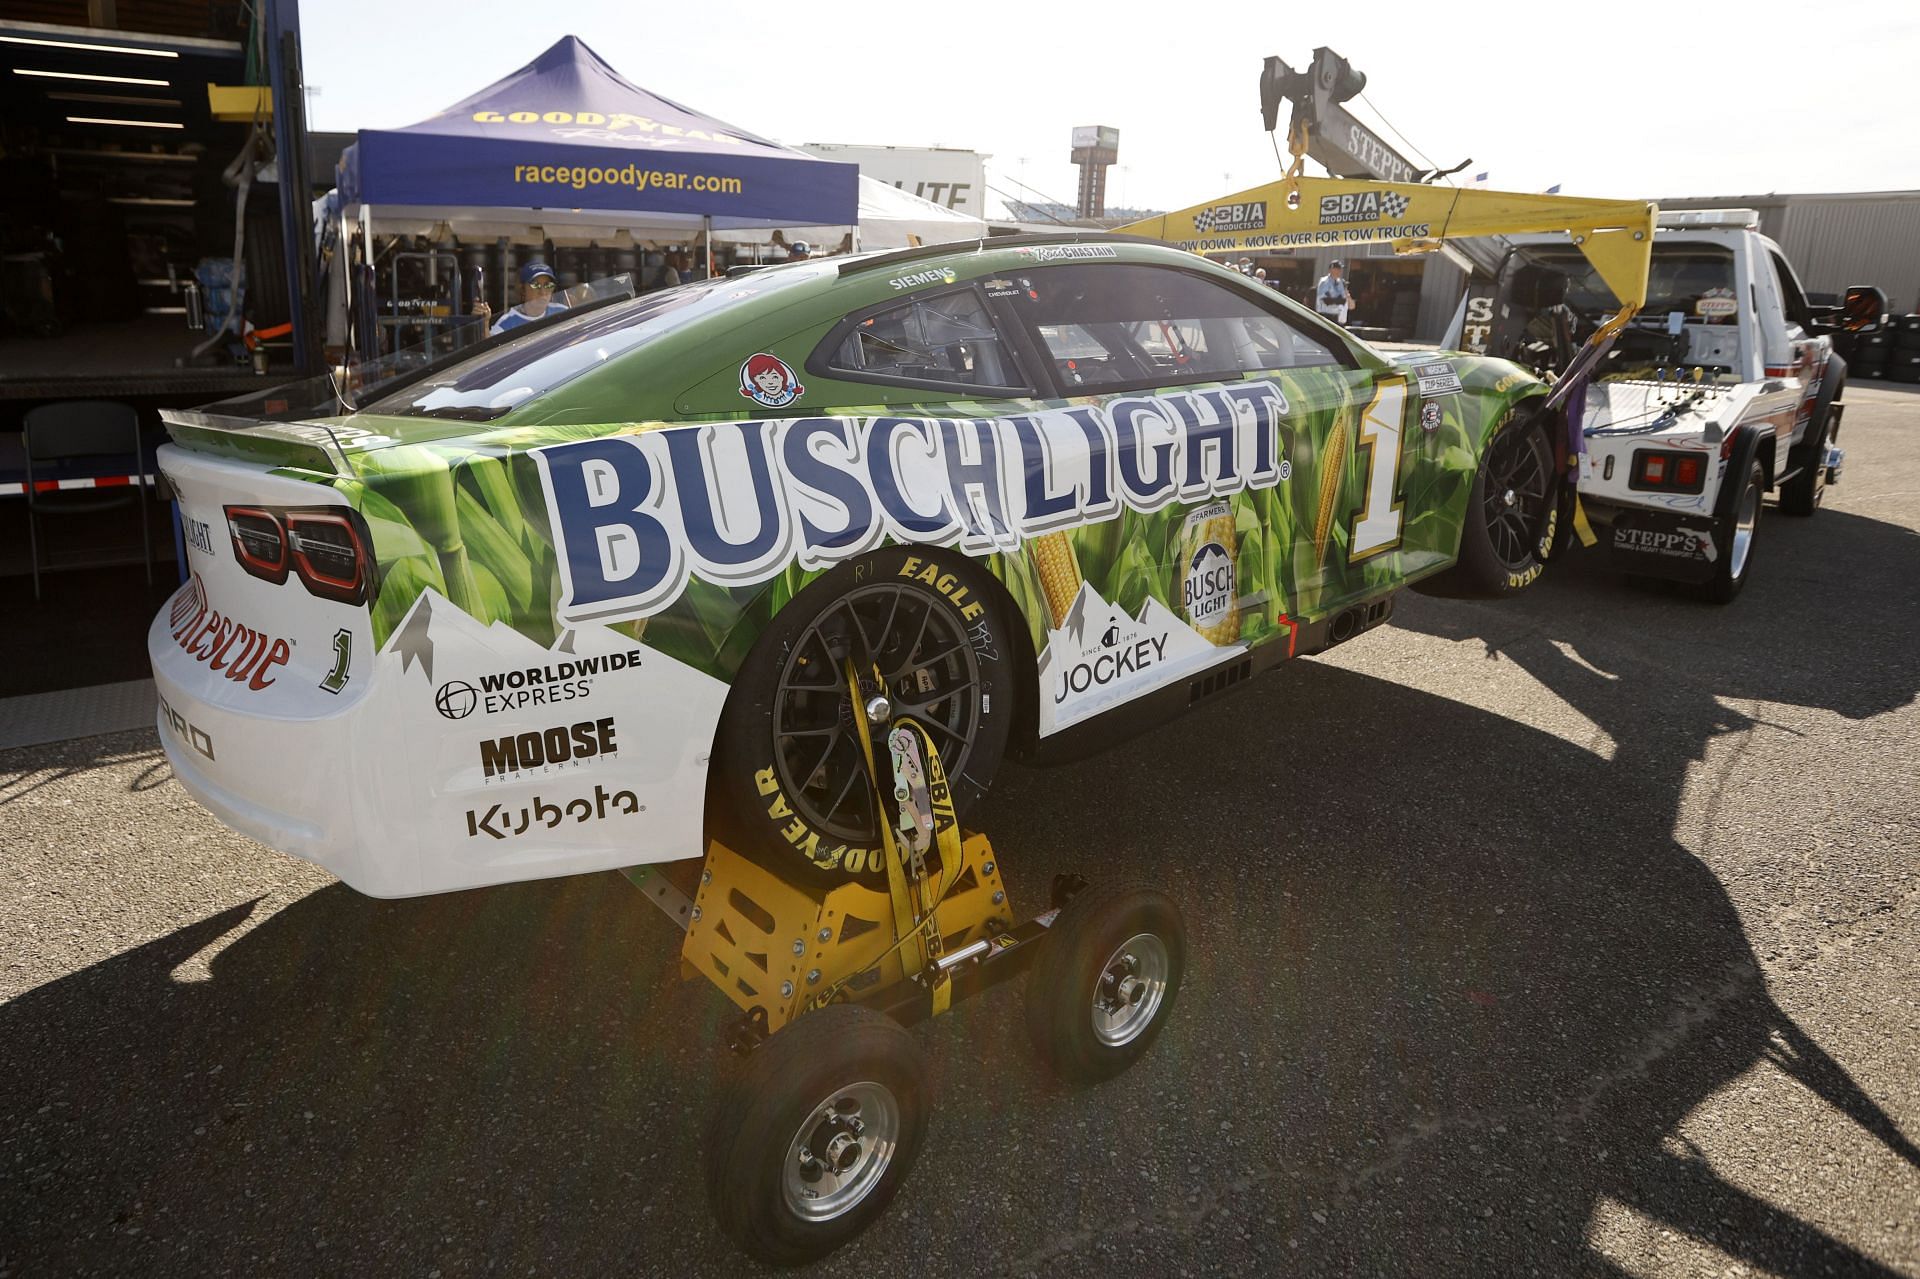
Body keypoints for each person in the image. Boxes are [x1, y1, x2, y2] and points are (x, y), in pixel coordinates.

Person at [474, 262, 568, 334]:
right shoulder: (507, 322)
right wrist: (484, 324)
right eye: (536, 285)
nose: (543, 292)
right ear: (522, 289)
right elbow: (491, 351)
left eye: (548, 285)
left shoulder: (563, 312)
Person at [1315, 260, 1353, 324]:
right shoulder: (1324, 281)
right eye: (1337, 269)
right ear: (1331, 269)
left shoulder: (1340, 282)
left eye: (1340, 269)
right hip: (1325, 316)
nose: (1340, 271)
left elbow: (1345, 300)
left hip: (1336, 317)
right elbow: (1326, 300)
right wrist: (1340, 300)